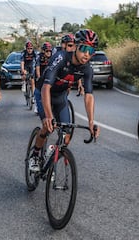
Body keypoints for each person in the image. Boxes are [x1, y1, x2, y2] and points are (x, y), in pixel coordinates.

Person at [29, 29, 100, 172]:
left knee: (66, 138)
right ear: (75, 47)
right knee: (47, 126)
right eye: (84, 48)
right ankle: (35, 155)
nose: (87, 54)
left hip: (60, 97)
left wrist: (91, 122)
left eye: (91, 50)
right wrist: (49, 116)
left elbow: (89, 96)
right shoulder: (60, 58)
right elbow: (45, 87)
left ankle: (52, 153)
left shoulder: (87, 69)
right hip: (44, 93)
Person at [34, 42, 53, 114]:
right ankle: (37, 104)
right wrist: (39, 77)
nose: (48, 53)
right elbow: (37, 68)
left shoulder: (53, 57)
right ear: (43, 51)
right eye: (47, 51)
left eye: (50, 51)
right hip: (40, 74)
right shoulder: (39, 57)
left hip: (49, 74)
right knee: (38, 89)